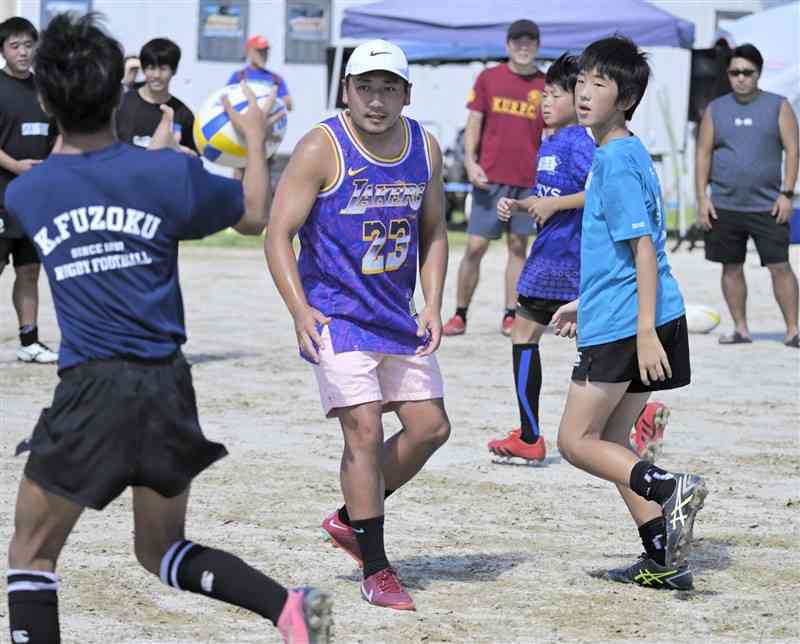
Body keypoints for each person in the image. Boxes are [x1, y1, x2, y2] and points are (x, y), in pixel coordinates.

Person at [5, 14, 331, 644]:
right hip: (166, 387)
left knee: (32, 555)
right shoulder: (168, 177)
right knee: (160, 549)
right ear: (117, 94)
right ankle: (287, 608)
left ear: (45, 99)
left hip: (92, 389)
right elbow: (255, 214)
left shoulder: (30, 195)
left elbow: (71, 179)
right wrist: (256, 140)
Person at [265, 39, 450, 611]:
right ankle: (377, 567)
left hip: (396, 316)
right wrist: (300, 310)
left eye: (388, 87)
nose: (376, 99)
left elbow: (436, 231)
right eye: (364, 86)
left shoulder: (425, 147)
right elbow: (277, 234)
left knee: (430, 429)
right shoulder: (322, 147)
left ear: (407, 94)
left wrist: (434, 302)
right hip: (337, 317)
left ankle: (353, 516)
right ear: (346, 90)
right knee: (364, 433)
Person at [551, 36, 707, 591]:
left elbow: (643, 247)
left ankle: (669, 487)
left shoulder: (614, 160)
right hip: (643, 310)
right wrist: (582, 301)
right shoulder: (628, 149)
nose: (584, 92)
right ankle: (663, 556)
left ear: (626, 98)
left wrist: (641, 332)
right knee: (616, 443)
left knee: (576, 441)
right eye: (582, 80)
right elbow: (629, 249)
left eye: (600, 83)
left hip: (629, 323)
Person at [443, 19, 546, 337]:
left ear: (538, 45)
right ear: (508, 45)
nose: (523, 46)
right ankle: (460, 314)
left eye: (529, 41)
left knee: (518, 247)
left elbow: (554, 130)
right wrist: (471, 162)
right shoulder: (489, 78)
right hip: (491, 178)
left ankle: (510, 314)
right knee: (474, 246)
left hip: (528, 179)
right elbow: (474, 121)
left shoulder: (547, 84)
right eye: (517, 41)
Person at [695, 43, 799, 348]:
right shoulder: (716, 109)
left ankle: (793, 330)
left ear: (759, 73)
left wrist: (787, 193)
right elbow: (702, 153)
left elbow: (793, 150)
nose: (740, 78)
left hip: (768, 205)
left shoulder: (778, 106)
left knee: (780, 266)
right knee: (731, 267)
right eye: (734, 72)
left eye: (747, 72)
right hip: (725, 205)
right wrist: (702, 198)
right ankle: (741, 329)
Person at [0, 17, 58, 364]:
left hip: (35, 197)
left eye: (28, 44)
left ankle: (29, 341)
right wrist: (16, 166)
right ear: (3, 50)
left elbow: (58, 136)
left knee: (29, 270)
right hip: (2, 192)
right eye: (15, 45)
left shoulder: (45, 89)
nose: (23, 52)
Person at [116, 38, 196, 152]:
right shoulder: (121, 104)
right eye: (151, 68)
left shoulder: (183, 115)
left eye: (163, 69)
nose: (157, 75)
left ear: (174, 70)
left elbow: (195, 158)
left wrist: (178, 150)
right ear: (143, 69)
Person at [228, 34, 292, 111]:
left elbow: (289, 106)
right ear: (248, 52)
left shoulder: (276, 79)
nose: (263, 55)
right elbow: (226, 101)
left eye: (265, 52)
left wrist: (283, 101)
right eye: (259, 51)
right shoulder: (239, 76)